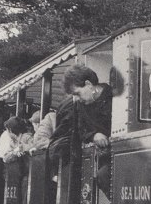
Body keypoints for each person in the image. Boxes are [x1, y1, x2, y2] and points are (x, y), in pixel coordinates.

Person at [48, 64, 112, 193]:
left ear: (89, 84)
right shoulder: (80, 105)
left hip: (113, 154)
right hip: (100, 158)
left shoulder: (113, 97)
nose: (76, 99)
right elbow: (80, 130)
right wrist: (94, 135)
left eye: (77, 93)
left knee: (104, 176)